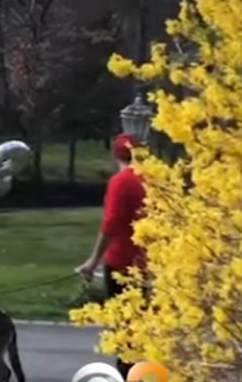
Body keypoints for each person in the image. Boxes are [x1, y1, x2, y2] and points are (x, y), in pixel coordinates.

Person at [76, 132, 147, 378]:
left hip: (123, 264)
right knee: (147, 327)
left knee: (126, 330)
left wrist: (93, 260)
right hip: (153, 263)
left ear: (115, 155)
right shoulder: (158, 180)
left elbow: (112, 223)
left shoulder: (121, 182)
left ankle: (129, 374)